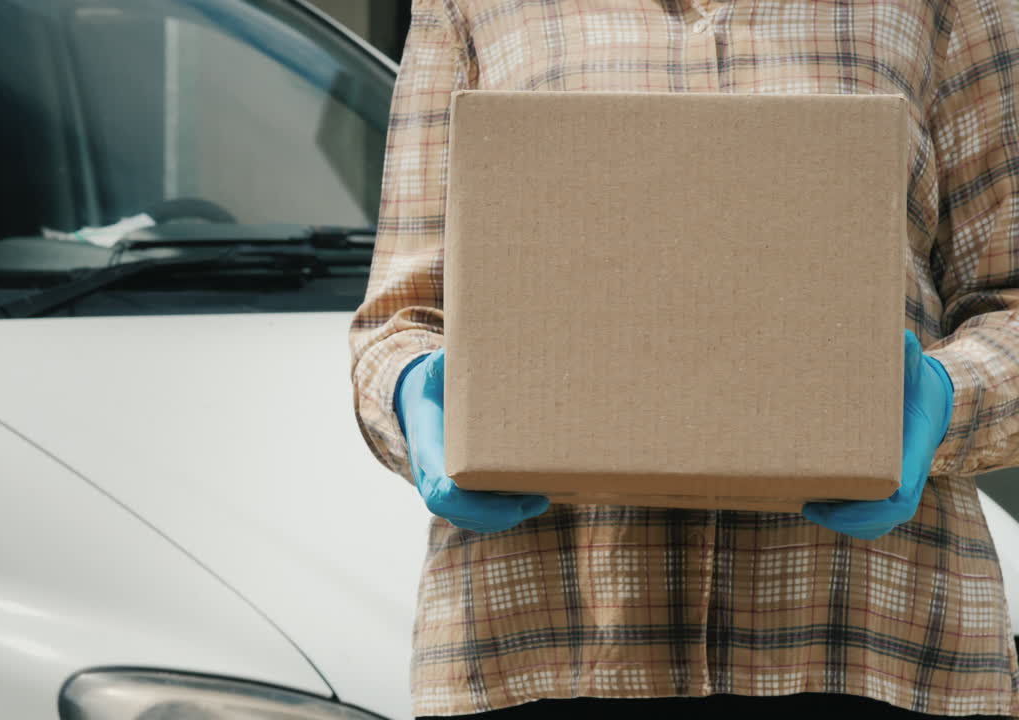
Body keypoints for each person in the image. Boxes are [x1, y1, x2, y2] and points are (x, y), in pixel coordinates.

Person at [349, 0, 1019, 718]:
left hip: (869, 630)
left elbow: (1007, 304)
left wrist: (941, 398)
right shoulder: (473, 7)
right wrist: (416, 395)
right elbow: (400, 321)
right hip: (548, 633)